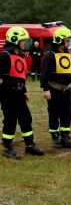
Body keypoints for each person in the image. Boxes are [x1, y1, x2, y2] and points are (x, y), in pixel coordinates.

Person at [0, 26, 44, 160]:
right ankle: (7, 147)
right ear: (14, 40)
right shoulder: (4, 56)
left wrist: (23, 91)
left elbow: (21, 76)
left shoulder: (20, 55)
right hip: (8, 95)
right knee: (10, 120)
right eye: (23, 40)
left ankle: (29, 145)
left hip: (18, 94)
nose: (25, 43)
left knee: (26, 118)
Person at [40, 27, 71, 149]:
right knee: (54, 113)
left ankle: (65, 136)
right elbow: (44, 73)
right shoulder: (50, 56)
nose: (68, 43)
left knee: (67, 113)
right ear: (59, 41)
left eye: (69, 41)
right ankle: (55, 137)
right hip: (54, 89)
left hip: (66, 90)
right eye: (66, 41)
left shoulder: (68, 55)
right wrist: (46, 89)